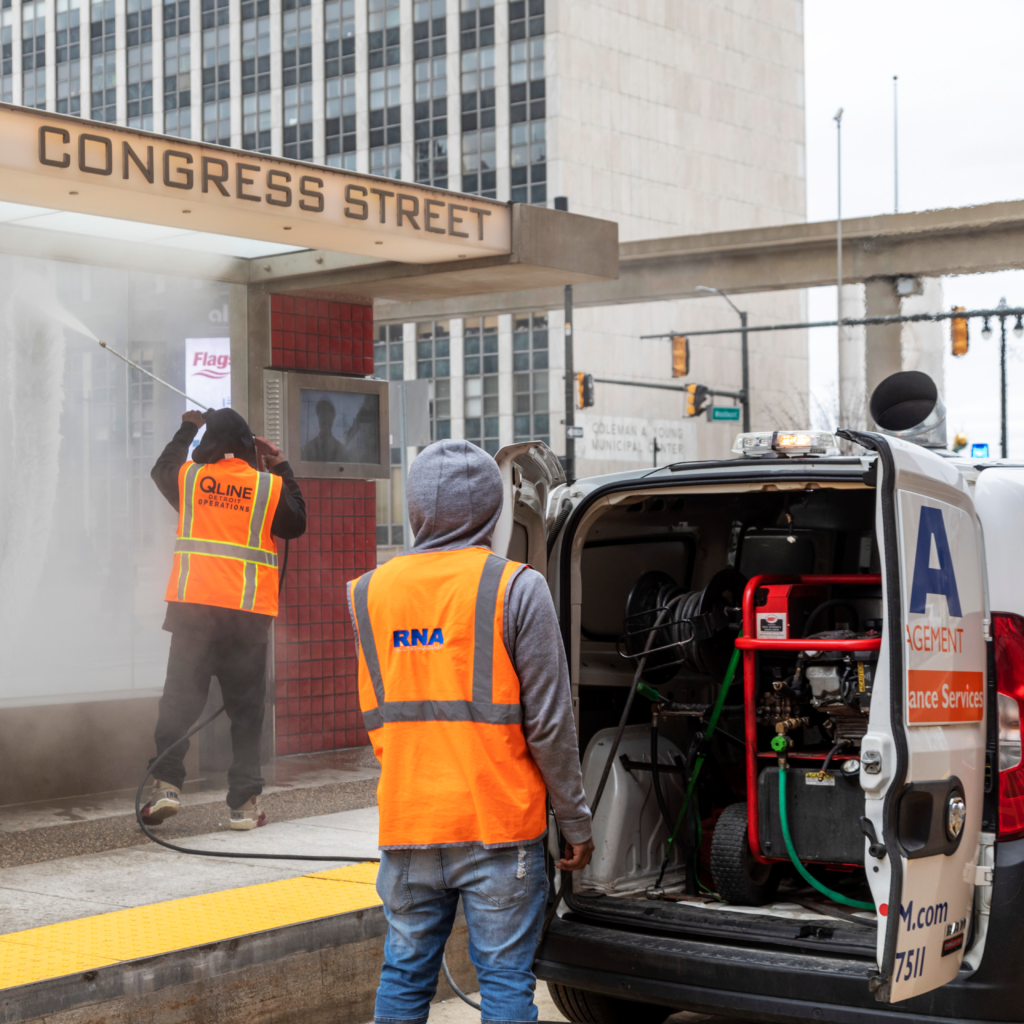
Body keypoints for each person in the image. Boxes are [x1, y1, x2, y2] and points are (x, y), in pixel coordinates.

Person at [347, 439, 594, 1024]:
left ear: (415, 509)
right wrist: (574, 818)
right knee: (506, 980)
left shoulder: (368, 592)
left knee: (404, 976)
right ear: (492, 510)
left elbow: (377, 717)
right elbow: (551, 724)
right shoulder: (516, 587)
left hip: (408, 823)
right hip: (498, 827)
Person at [143, 408, 306, 830]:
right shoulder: (268, 487)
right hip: (247, 620)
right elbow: (297, 523)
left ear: (210, 443)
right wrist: (280, 463)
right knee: (247, 715)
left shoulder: (192, 480)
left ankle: (166, 786)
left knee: (178, 705)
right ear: (249, 446)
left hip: (193, 615)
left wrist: (188, 428)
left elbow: (162, 467)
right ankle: (244, 806)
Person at [301, 398, 346, 462]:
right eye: (321, 415)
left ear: (332, 419)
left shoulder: (341, 451)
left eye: (327, 415)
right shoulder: (308, 450)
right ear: (318, 419)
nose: (323, 420)